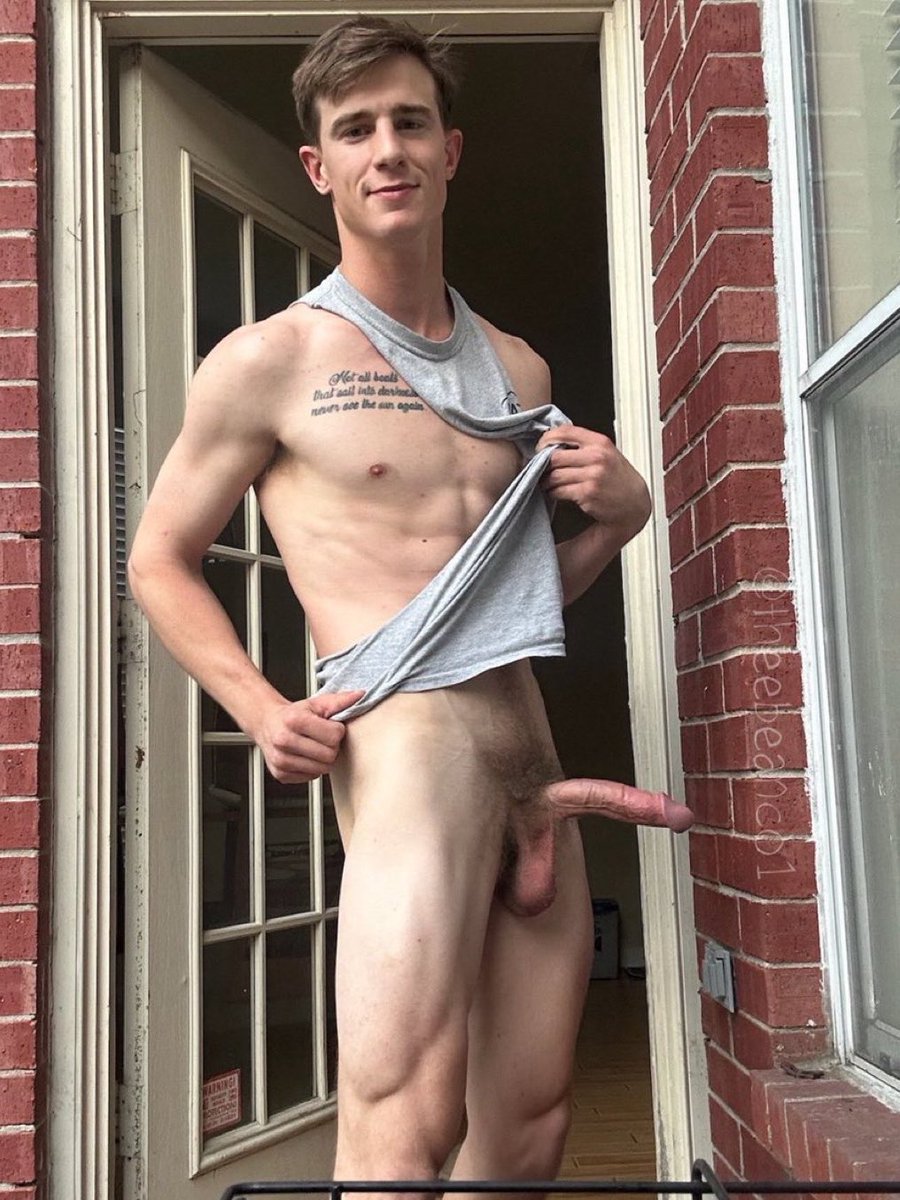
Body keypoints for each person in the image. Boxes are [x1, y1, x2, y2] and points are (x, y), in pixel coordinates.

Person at [128, 16, 691, 1193]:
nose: (387, 148)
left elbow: (511, 601)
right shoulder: (270, 361)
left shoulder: (520, 371)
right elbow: (160, 559)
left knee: (528, 1133)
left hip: (535, 769)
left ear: (449, 150)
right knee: (402, 1137)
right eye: (355, 129)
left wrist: (620, 521)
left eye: (409, 122)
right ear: (317, 165)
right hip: (410, 777)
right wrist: (260, 706)